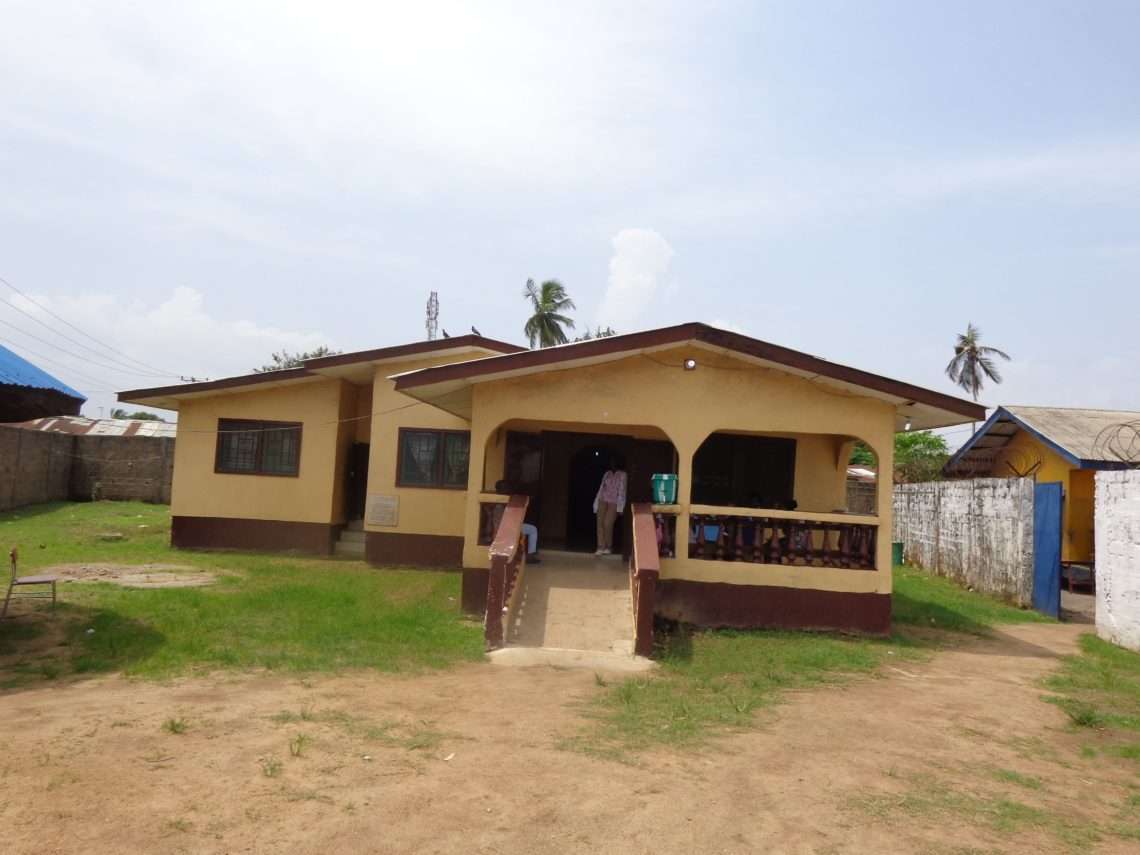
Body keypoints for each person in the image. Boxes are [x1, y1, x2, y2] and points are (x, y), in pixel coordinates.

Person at [493, 480, 540, 563]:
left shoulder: (506, 498)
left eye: (507, 487)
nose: (507, 490)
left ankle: (530, 555)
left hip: (509, 527)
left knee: (532, 529)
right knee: (533, 529)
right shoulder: (504, 500)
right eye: (505, 488)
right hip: (507, 528)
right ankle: (530, 556)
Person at [592, 457, 627, 556]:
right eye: (611, 462)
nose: (612, 464)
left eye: (614, 462)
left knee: (607, 523)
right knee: (599, 523)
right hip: (602, 500)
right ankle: (600, 547)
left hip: (614, 502)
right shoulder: (607, 473)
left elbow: (622, 491)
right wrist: (596, 502)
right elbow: (601, 487)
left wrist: (621, 507)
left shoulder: (623, 474)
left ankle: (608, 546)